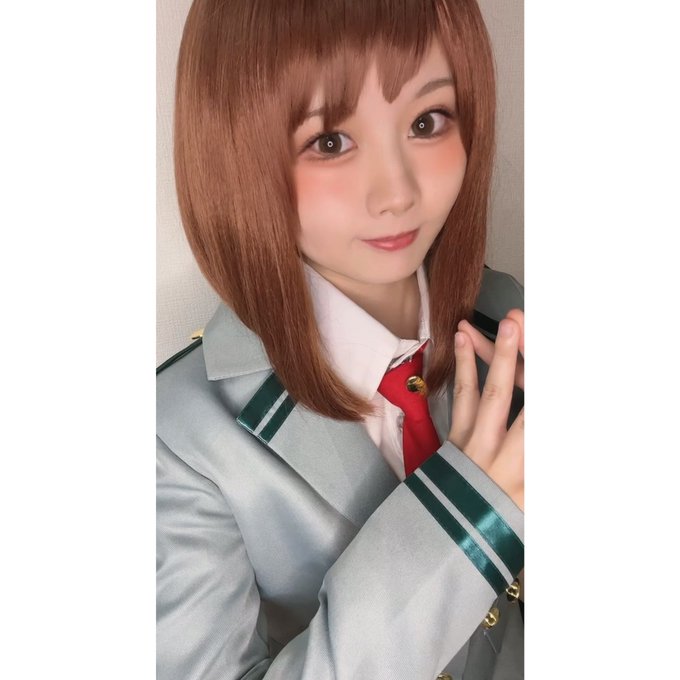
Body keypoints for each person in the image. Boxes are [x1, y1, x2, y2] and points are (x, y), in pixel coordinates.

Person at [157, 0, 524, 678]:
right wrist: (469, 519)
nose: (397, 193)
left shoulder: (510, 315)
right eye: (329, 141)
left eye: (426, 122)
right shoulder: (175, 438)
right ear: (237, 151)